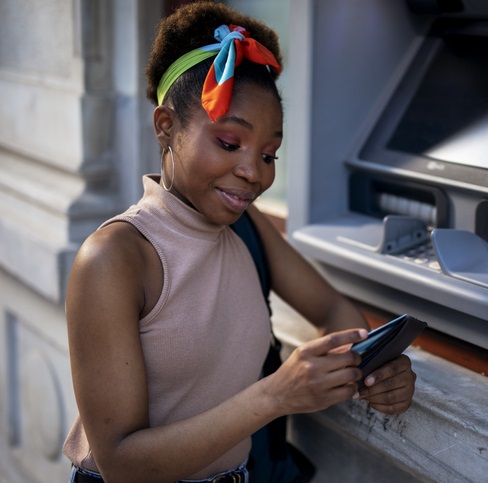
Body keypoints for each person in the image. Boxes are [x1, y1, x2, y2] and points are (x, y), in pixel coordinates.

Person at [62, 1, 417, 482]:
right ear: (166, 127)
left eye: (269, 154)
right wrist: (276, 394)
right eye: (229, 144)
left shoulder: (247, 230)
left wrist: (373, 373)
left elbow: (334, 310)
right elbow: (122, 463)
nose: (254, 173)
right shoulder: (115, 258)